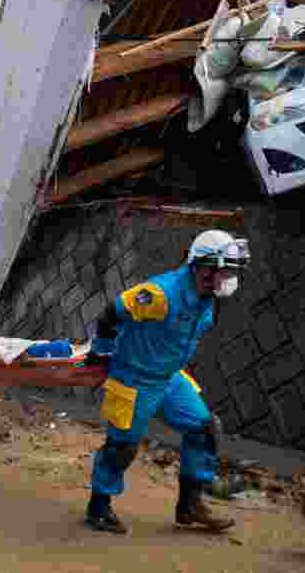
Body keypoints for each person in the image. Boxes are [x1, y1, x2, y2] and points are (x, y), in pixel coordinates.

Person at [83, 229, 250, 535]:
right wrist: (101, 352)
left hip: (169, 378)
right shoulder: (161, 294)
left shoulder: (206, 297)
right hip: (134, 378)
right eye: (225, 270)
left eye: (231, 271)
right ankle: (99, 507)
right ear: (204, 266)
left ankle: (189, 507)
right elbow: (111, 313)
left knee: (204, 429)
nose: (229, 277)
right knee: (121, 447)